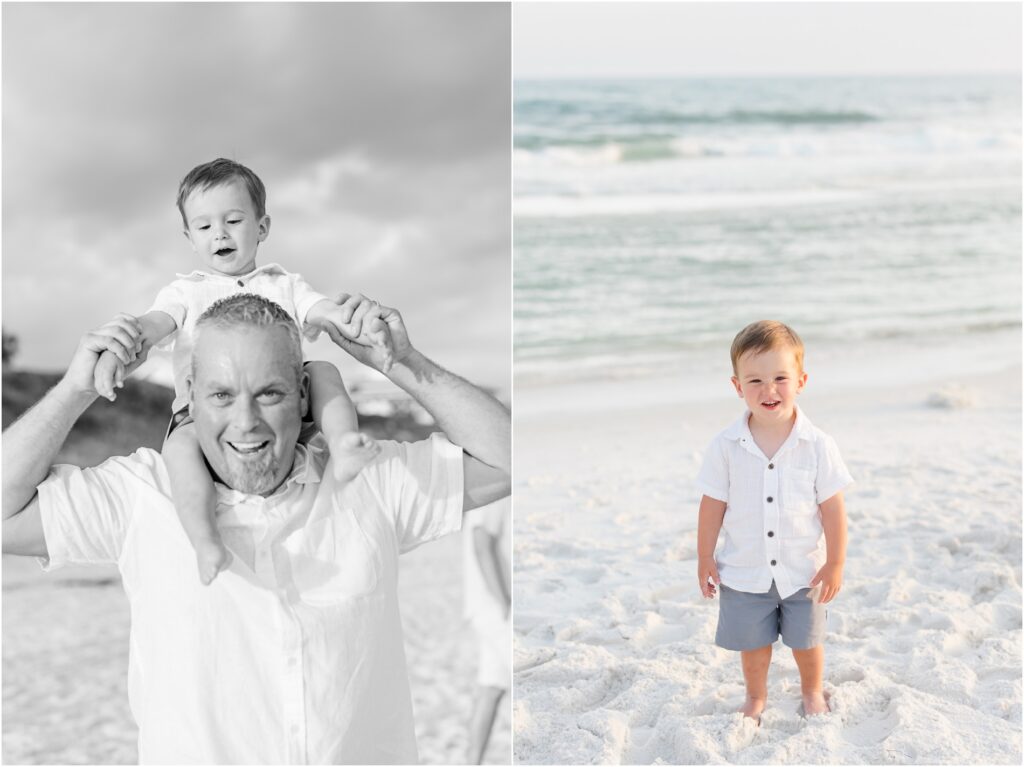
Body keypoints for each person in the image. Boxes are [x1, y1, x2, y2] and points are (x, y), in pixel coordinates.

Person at [2, 292, 511, 764]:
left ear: (304, 395)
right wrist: (74, 390)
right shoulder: (140, 496)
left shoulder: (370, 480)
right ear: (190, 397)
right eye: (222, 395)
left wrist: (400, 362)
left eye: (268, 393)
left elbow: (509, 459)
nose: (245, 421)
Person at [93, 158, 388, 585]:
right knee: (180, 451)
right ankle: (204, 539)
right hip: (201, 415)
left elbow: (322, 310)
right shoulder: (186, 291)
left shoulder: (284, 284)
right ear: (190, 237)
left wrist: (356, 321)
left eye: (233, 221)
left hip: (282, 405)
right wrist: (124, 339)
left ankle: (344, 446)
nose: (220, 233)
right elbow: (155, 323)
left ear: (262, 227)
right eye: (204, 226)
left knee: (323, 369)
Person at [695, 320, 851, 723]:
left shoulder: (818, 445)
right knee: (753, 644)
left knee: (807, 641)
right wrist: (705, 556)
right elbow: (712, 505)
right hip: (745, 569)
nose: (769, 390)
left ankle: (812, 690)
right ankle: (756, 696)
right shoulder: (725, 446)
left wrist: (835, 562)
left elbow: (833, 509)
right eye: (755, 381)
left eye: (780, 378)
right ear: (737, 386)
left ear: (801, 381)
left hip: (804, 570)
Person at [461, 495, 510, 763]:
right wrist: (503, 601)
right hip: (495, 607)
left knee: (492, 686)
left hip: (492, 606)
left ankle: (472, 762)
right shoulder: (498, 486)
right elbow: (481, 540)